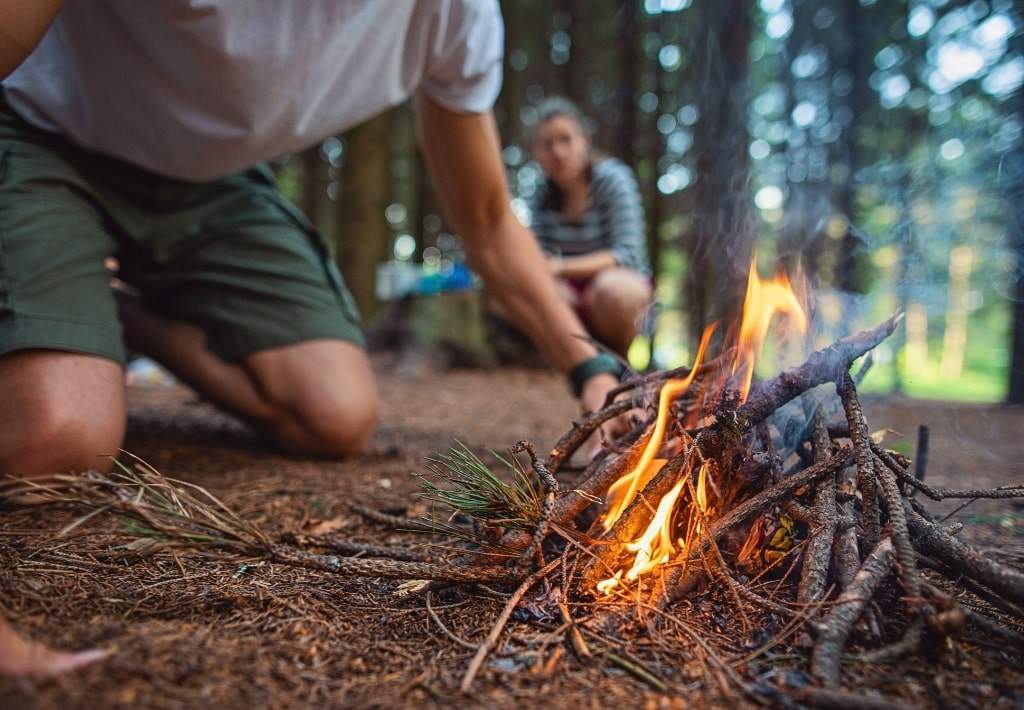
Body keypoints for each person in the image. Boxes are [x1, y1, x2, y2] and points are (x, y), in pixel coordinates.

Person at [0, 0, 630, 480]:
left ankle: (106, 307)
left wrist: (590, 367)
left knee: (333, 415)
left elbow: (489, 222)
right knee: (58, 440)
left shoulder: (453, 14)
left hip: (213, 181)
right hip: (45, 133)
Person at [527, 97, 654, 358]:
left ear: (584, 140)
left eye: (566, 139)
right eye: (547, 144)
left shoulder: (612, 179)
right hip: (570, 293)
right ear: (537, 154)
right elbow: (541, 255)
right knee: (537, 293)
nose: (558, 152)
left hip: (617, 288)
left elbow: (627, 255)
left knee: (614, 292)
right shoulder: (541, 193)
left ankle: (620, 365)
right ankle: (576, 365)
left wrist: (561, 267)